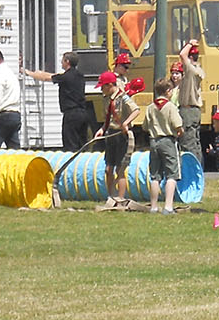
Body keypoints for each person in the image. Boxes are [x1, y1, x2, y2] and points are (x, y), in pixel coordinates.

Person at [23, 51, 92, 150]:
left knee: (70, 143)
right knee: (82, 142)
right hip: (82, 113)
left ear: (67, 61)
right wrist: (40, 72)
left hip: (71, 114)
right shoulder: (79, 76)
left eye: (62, 60)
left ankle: (71, 163)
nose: (61, 63)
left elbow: (47, 78)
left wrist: (29, 73)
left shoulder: (65, 77)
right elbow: (56, 75)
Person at [97, 71, 138, 208]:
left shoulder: (123, 98)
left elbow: (136, 110)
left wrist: (126, 123)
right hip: (110, 134)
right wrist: (103, 128)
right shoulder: (106, 99)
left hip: (121, 135)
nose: (102, 90)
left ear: (109, 85)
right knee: (108, 168)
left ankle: (120, 199)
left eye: (103, 87)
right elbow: (108, 118)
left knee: (120, 169)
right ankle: (111, 196)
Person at [143, 76, 183, 214]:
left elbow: (145, 126)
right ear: (168, 91)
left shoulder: (150, 107)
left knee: (155, 175)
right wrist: (180, 132)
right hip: (168, 141)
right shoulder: (170, 107)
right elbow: (177, 124)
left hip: (154, 141)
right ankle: (168, 206)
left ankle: (153, 206)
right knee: (172, 174)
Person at [176, 40, 205, 160]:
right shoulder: (199, 70)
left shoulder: (190, 70)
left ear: (190, 57)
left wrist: (189, 43)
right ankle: (198, 170)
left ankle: (191, 171)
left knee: (187, 143)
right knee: (195, 142)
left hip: (188, 111)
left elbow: (182, 54)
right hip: (195, 111)